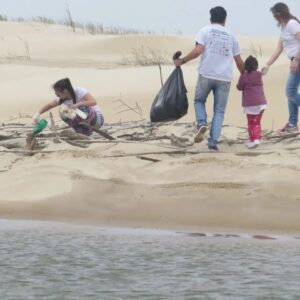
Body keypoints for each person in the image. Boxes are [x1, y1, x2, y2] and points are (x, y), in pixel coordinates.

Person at [174, 6, 244, 151]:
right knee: (219, 111)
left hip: (206, 74)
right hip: (224, 78)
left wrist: (183, 60)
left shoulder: (205, 31)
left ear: (210, 19)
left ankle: (202, 124)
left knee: (199, 101)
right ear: (225, 19)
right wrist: (247, 75)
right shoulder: (232, 35)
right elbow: (238, 61)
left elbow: (198, 51)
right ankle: (212, 143)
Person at [262, 2, 300, 133]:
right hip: (294, 61)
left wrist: (296, 59)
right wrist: (267, 64)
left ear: (280, 14)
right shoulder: (284, 27)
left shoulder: (292, 24)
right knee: (291, 93)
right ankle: (292, 124)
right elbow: (279, 48)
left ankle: (292, 123)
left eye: (274, 15)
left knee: (290, 91)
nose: (274, 18)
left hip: (298, 61)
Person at [33, 78, 104, 136]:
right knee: (63, 110)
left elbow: (93, 102)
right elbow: (49, 105)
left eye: (57, 93)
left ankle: (88, 129)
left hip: (97, 120)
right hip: (85, 126)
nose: (56, 95)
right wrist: (38, 113)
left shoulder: (79, 91)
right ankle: (83, 132)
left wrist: (78, 104)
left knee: (80, 108)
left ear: (65, 91)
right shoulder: (62, 100)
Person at [237, 56, 267, 148]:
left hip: (250, 105)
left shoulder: (244, 76)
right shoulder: (258, 74)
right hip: (261, 104)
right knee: (257, 122)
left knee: (251, 123)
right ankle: (257, 138)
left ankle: (254, 140)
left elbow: (239, 87)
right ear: (256, 66)